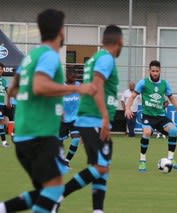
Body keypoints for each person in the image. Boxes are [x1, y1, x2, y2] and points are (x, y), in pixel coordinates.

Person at [0, 9, 96, 213]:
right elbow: (40, 86)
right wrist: (76, 88)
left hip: (25, 134)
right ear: (61, 31)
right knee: (53, 193)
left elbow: (14, 89)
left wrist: (52, 105)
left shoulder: (31, 56)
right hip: (40, 135)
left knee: (50, 192)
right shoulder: (49, 57)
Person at [62, 25, 123, 213]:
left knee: (102, 167)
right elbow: (96, 86)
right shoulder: (106, 58)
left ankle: (98, 210)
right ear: (119, 42)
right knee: (100, 167)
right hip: (94, 119)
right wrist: (105, 117)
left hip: (92, 118)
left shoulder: (96, 58)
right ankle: (58, 195)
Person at [125, 60, 177, 172]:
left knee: (174, 131)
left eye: (157, 71)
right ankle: (142, 161)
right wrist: (127, 108)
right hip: (147, 116)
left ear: (160, 71)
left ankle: (170, 160)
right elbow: (132, 96)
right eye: (153, 71)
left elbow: (171, 97)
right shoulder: (143, 83)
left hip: (160, 116)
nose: (155, 73)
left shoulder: (164, 84)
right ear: (149, 71)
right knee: (146, 133)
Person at [59, 69, 81, 165]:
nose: (74, 78)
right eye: (72, 76)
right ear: (67, 76)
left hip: (75, 119)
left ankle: (66, 161)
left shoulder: (78, 85)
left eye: (75, 76)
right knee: (59, 142)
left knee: (76, 140)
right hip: (62, 119)